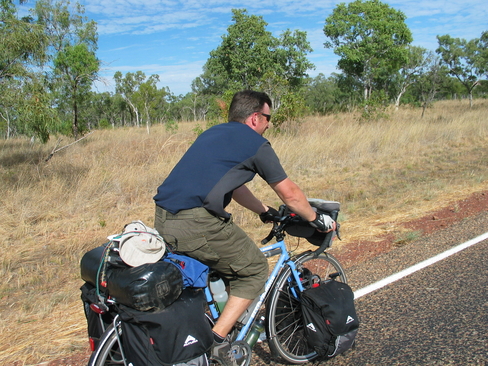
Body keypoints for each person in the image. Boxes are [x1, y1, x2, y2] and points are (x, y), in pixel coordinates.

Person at [153, 90, 335, 365]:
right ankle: (215, 345)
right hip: (196, 222)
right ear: (254, 118)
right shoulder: (256, 144)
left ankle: (211, 318)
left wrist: (264, 212)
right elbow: (291, 195)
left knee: (221, 265)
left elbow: (235, 186)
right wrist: (315, 219)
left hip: (164, 218)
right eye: (268, 118)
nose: (269, 124)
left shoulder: (213, 134)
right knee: (254, 270)